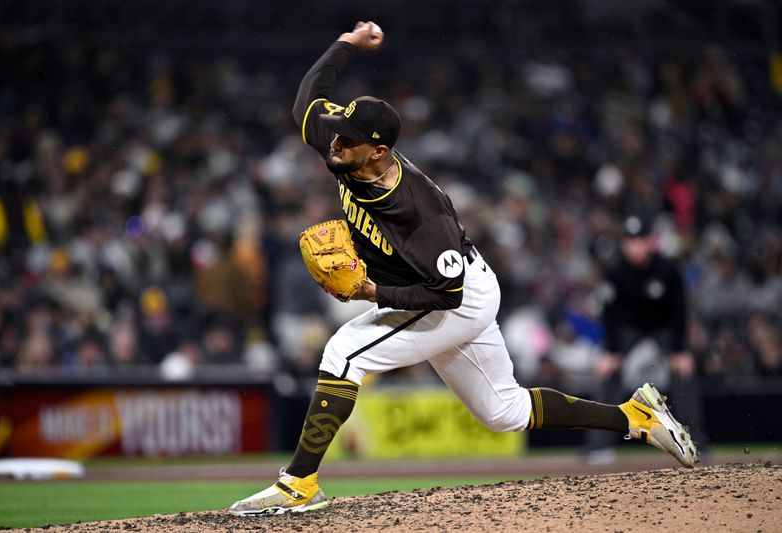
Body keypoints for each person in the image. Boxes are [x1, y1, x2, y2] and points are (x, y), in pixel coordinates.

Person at [228, 22, 699, 517]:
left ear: (379, 152)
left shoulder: (419, 212)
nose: (334, 145)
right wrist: (348, 43)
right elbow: (308, 98)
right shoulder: (345, 146)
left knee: (345, 352)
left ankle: (298, 483)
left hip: (453, 293)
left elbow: (445, 294)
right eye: (338, 134)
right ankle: (634, 417)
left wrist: (371, 291)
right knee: (504, 411)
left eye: (347, 141)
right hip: (449, 283)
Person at [585, 214, 708, 464]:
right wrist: (611, 351)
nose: (635, 246)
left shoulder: (667, 269)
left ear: (650, 242)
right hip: (629, 328)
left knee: (683, 371)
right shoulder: (615, 272)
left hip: (663, 327)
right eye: (630, 240)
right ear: (624, 243)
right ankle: (597, 446)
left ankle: (697, 442)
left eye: (640, 240)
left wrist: (679, 349)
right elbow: (609, 313)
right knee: (608, 372)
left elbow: (680, 310)